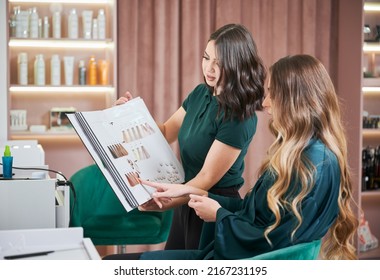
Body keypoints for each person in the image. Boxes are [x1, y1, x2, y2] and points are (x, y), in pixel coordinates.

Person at [105, 54, 358, 260]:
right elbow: (254, 212)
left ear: (296, 101)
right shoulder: (308, 156)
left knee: (111, 265)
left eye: (273, 93)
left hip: (237, 257)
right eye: (206, 58)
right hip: (216, 226)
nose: (266, 103)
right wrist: (129, 117)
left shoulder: (309, 165)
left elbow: (271, 242)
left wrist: (218, 214)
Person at [115, 23, 266, 250]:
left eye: (220, 63)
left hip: (211, 208)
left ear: (237, 65)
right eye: (206, 58)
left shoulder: (239, 117)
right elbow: (165, 132)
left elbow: (206, 178)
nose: (210, 68)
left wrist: (166, 203)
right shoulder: (199, 93)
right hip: (186, 200)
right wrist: (128, 116)